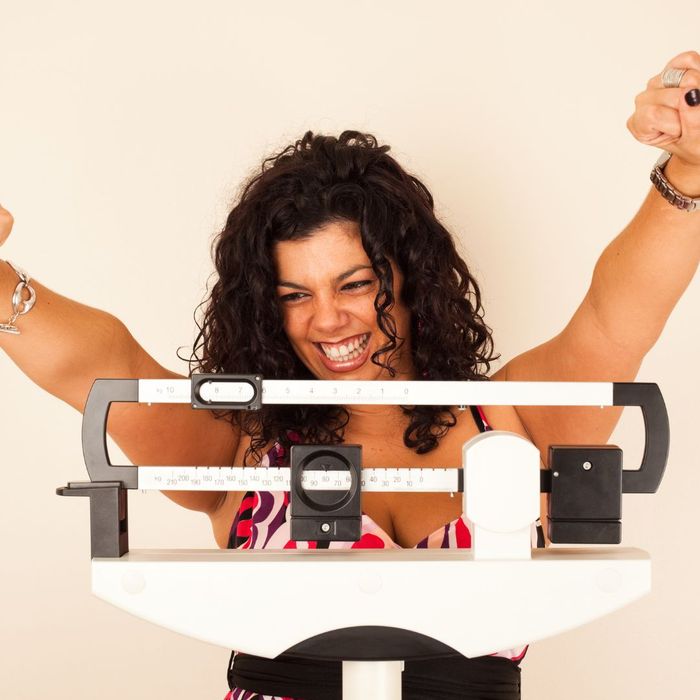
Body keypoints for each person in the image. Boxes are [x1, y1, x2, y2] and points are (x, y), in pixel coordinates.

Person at [2, 51, 699, 700]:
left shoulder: (517, 419)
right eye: (295, 295)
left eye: (356, 283)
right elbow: (106, 363)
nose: (328, 321)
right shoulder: (243, 448)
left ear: (413, 279)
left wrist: (689, 168)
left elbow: (616, 315)